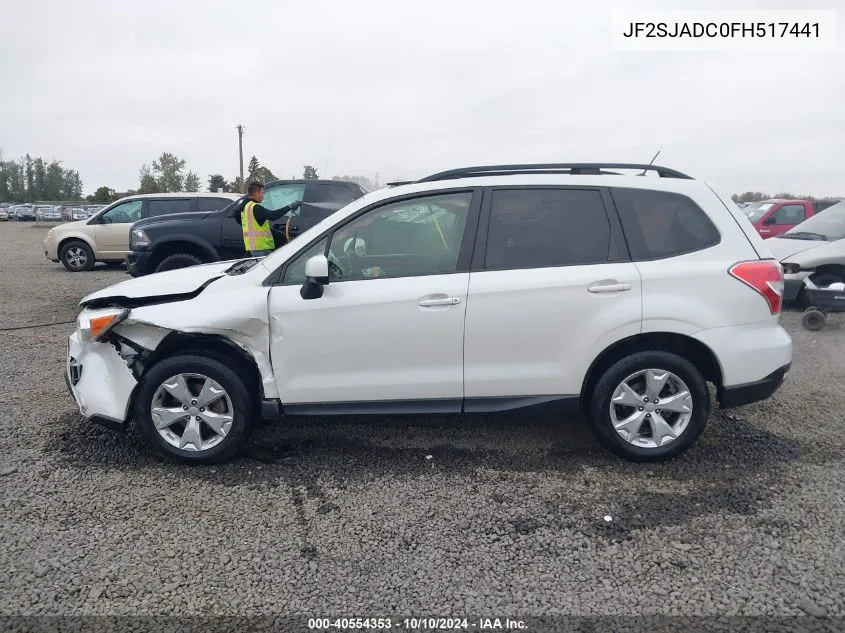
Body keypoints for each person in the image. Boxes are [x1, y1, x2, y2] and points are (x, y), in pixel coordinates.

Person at [232, 181, 303, 257]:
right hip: (261, 248)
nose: (263, 196)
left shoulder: (245, 206)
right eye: (262, 193)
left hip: (254, 247)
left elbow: (235, 214)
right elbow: (273, 215)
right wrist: (290, 206)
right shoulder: (255, 208)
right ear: (256, 193)